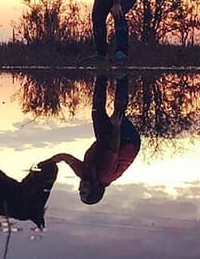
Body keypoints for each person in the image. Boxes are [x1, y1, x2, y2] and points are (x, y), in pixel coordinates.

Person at [47, 73, 140, 205]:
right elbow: (114, 147)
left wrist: (47, 163)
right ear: (94, 189)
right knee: (118, 113)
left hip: (104, 142)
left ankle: (101, 74)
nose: (80, 188)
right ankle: (122, 73)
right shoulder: (105, 174)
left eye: (80, 191)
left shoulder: (84, 174)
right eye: (83, 191)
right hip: (127, 141)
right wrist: (116, 126)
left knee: (97, 112)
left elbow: (65, 157)